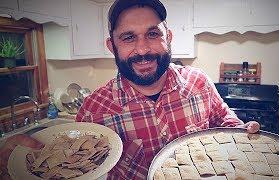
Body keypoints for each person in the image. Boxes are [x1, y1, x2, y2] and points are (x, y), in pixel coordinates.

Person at [0, 0, 260, 179]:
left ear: (167, 38)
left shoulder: (199, 83)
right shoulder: (94, 111)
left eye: (153, 34)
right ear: (112, 46)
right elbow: (74, 168)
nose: (143, 49)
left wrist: (241, 132)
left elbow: (224, 121)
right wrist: (22, 163)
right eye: (128, 37)